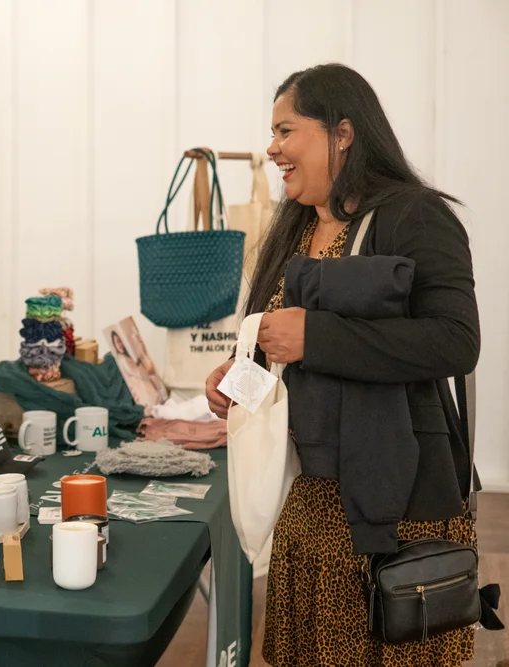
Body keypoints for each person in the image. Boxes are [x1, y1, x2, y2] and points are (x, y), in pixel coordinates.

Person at [205, 64, 480, 666]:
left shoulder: (414, 216)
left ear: (343, 131)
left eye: (285, 130)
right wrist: (238, 375)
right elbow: (278, 341)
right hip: (309, 502)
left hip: (396, 506)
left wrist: (318, 337)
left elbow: (456, 342)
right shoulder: (295, 228)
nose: (272, 148)